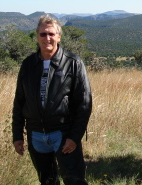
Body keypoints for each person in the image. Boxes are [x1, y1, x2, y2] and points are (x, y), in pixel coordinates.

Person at [12, 14, 92, 185]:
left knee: (74, 180)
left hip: (63, 134)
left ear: (59, 37)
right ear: (37, 37)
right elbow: (19, 102)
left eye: (51, 34)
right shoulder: (28, 64)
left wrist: (75, 137)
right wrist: (17, 135)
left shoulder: (73, 63)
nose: (47, 38)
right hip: (36, 135)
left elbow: (84, 104)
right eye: (42, 34)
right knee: (47, 181)